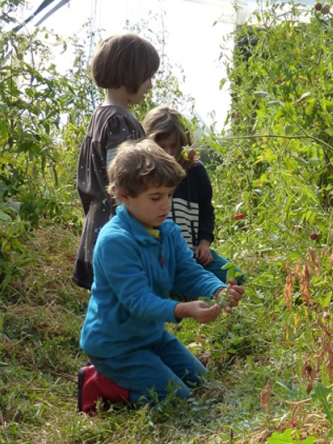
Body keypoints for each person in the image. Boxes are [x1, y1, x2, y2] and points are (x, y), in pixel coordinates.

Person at [77, 141, 244, 414]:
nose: (166, 205)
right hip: (115, 346)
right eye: (155, 197)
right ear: (124, 195)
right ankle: (99, 383)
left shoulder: (167, 231)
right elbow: (138, 301)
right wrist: (183, 310)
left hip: (150, 334)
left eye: (169, 195)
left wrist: (218, 290)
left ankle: (144, 371)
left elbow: (186, 272)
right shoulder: (115, 241)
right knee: (177, 399)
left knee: (201, 381)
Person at [73, 34, 160, 289]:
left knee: (105, 303)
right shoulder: (120, 121)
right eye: (148, 76)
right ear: (129, 74)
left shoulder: (99, 116)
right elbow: (124, 183)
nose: (150, 85)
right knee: (124, 304)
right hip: (118, 227)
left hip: (97, 222)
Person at [143, 106, 244, 286]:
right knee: (172, 282)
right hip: (158, 258)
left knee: (235, 277)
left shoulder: (196, 172)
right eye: (162, 146)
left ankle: (189, 279)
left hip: (192, 253)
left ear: (184, 143)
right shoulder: (145, 175)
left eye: (174, 146)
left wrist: (204, 244)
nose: (168, 152)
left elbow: (206, 211)